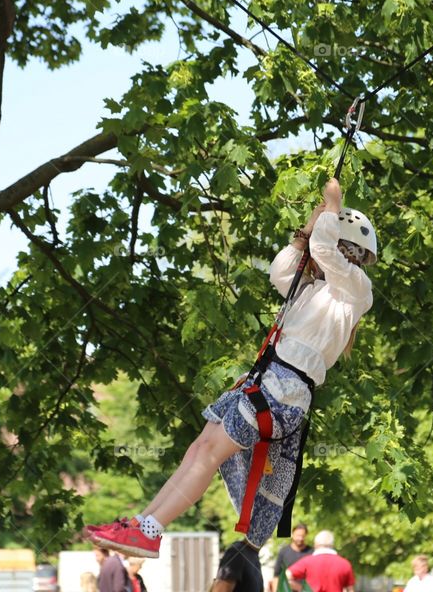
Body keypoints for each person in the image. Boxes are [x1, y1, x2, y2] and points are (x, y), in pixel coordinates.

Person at [87, 178, 377, 557]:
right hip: (268, 379)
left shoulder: (355, 289)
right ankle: (145, 525)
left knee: (207, 454)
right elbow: (280, 272)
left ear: (347, 250)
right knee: (199, 449)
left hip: (284, 388)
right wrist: (310, 225)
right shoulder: (312, 289)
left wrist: (332, 205)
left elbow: (323, 249)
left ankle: (153, 529)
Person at [286, 530, 355, 592]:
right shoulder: (344, 564)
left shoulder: (307, 561)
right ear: (332, 545)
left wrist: (302, 589)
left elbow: (286, 576)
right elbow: (350, 589)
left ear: (316, 545)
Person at [270, 524, 313, 592]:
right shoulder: (283, 552)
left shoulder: (312, 552)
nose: (300, 538)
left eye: (303, 536)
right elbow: (276, 575)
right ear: (292, 535)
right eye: (298, 535)